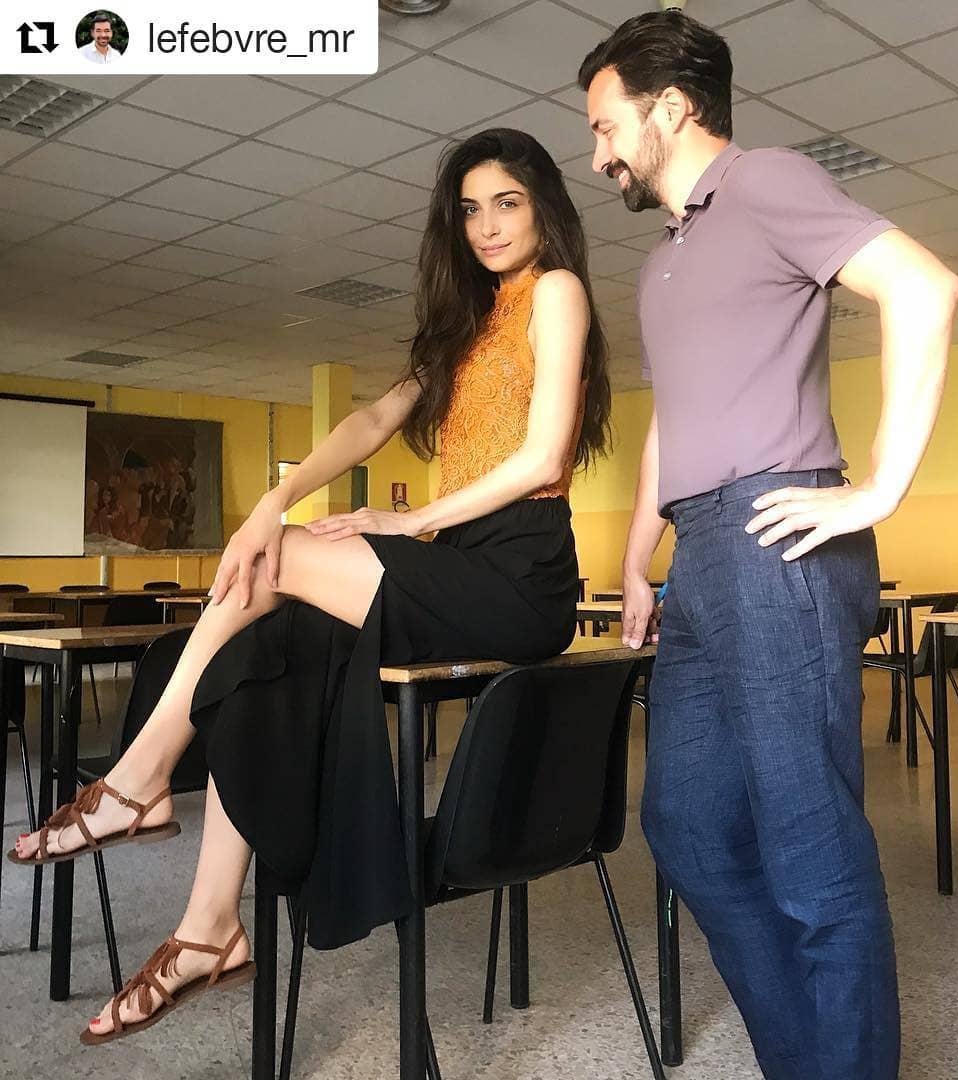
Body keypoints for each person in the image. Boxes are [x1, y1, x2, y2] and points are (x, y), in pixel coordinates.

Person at [8, 127, 611, 1043]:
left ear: (543, 210)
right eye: (469, 210)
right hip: (454, 562)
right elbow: (372, 418)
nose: (487, 226)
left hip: (518, 574)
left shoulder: (556, 291)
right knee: (267, 660)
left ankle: (139, 779)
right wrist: (277, 495)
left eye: (507, 204)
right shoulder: (467, 323)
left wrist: (404, 519)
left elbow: (543, 455)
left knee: (275, 557)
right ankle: (210, 929)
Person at [578, 12, 958, 1080]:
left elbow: (925, 287)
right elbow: (674, 420)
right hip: (700, 552)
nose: (597, 153)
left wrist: (878, 487)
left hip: (773, 532)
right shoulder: (665, 259)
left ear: (669, 107)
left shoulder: (765, 183)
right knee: (688, 826)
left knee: (808, 843)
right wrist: (636, 561)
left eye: (605, 125)